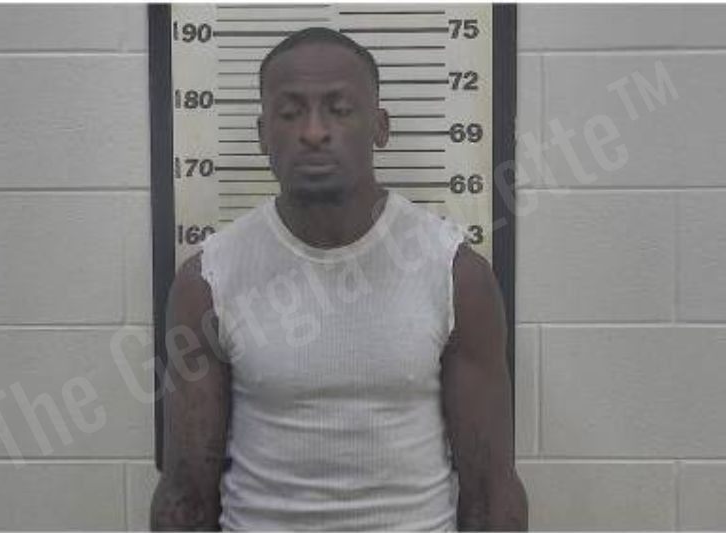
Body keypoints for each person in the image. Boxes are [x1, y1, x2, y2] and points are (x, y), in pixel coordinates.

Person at [150, 27, 527, 531]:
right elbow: (185, 496)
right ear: (262, 134)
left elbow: (491, 491)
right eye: (290, 113)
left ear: (380, 127)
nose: (313, 131)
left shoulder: (456, 277)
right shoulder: (209, 283)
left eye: (340, 109)